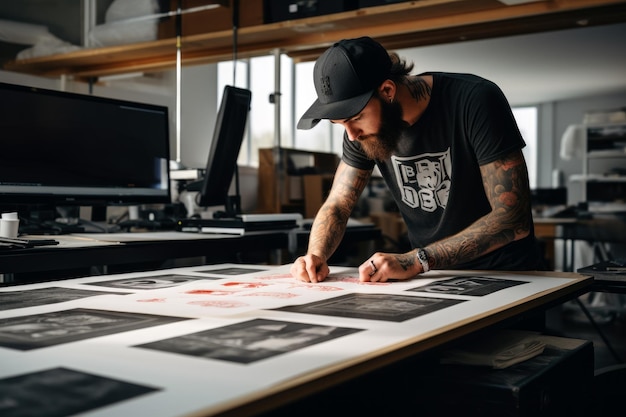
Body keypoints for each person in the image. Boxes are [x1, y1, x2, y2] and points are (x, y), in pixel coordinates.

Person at [290, 36, 540, 283]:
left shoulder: (475, 100)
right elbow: (338, 204)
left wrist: (418, 260)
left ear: (387, 90)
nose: (352, 135)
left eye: (356, 118)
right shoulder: (360, 133)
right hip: (432, 277)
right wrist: (316, 254)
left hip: (505, 275)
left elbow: (513, 219)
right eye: (340, 123)